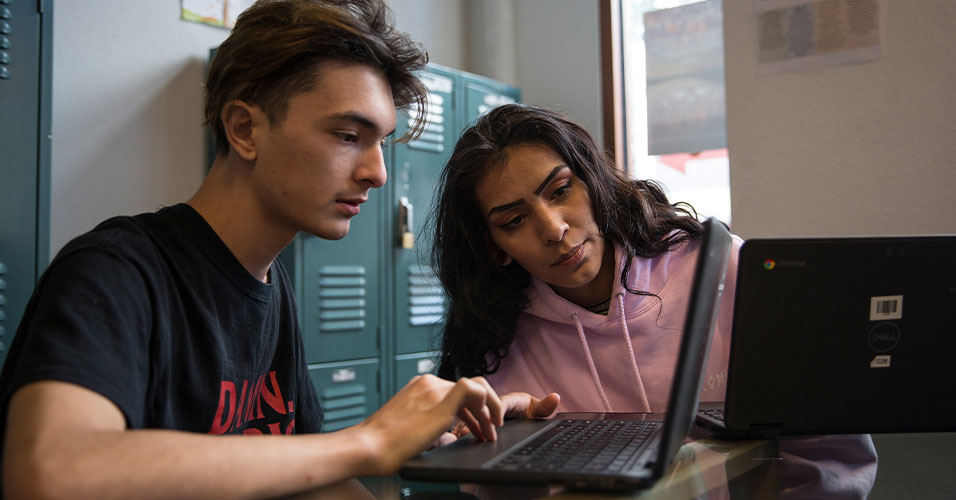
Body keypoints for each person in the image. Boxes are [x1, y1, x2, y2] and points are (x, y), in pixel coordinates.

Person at [0, 2, 557, 499]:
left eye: (381, 143)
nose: (378, 174)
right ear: (245, 129)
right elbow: (52, 472)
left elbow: (309, 478)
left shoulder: (269, 285)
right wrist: (368, 442)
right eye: (347, 136)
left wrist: (478, 458)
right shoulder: (116, 271)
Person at [430, 103, 878, 498]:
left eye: (561, 191)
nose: (552, 228)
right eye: (514, 220)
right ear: (495, 247)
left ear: (594, 180)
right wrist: (481, 451)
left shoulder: (723, 271)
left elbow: (830, 453)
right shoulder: (498, 340)